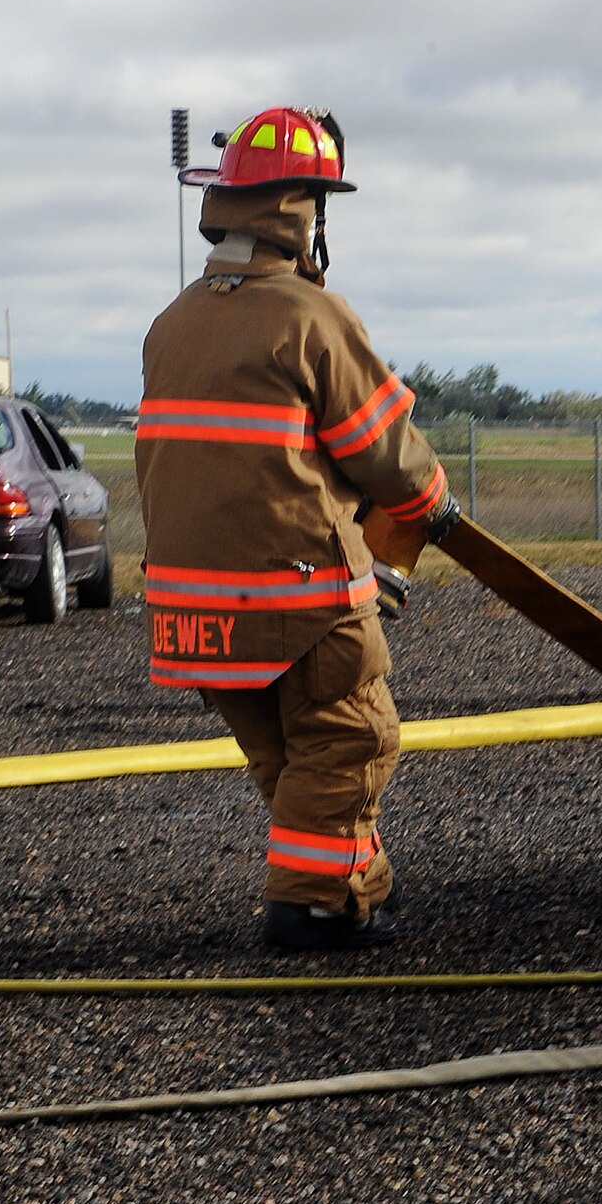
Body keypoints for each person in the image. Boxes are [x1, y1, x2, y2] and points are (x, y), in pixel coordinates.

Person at [137, 106, 460, 950]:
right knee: (353, 737)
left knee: (300, 764)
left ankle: (353, 892)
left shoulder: (172, 325)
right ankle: (312, 910)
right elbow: (386, 454)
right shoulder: (309, 317)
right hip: (299, 594)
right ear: (302, 209)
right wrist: (431, 504)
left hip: (193, 614)